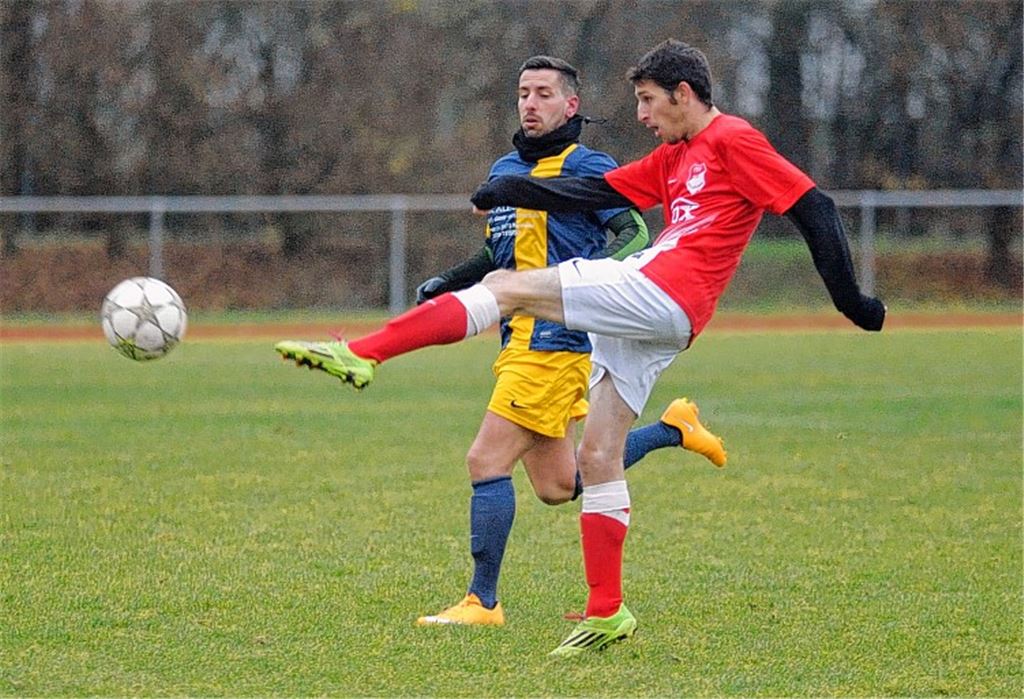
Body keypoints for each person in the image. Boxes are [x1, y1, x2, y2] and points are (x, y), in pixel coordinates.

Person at [276, 39, 884, 656]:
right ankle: (607, 611)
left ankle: (365, 353)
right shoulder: (674, 157)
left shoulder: (732, 139)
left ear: (683, 94)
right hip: (664, 313)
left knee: (505, 289)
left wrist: (852, 302)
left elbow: (815, 206)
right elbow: (594, 194)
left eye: (649, 102)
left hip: (661, 290)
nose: (643, 117)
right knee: (595, 458)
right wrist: (514, 192)